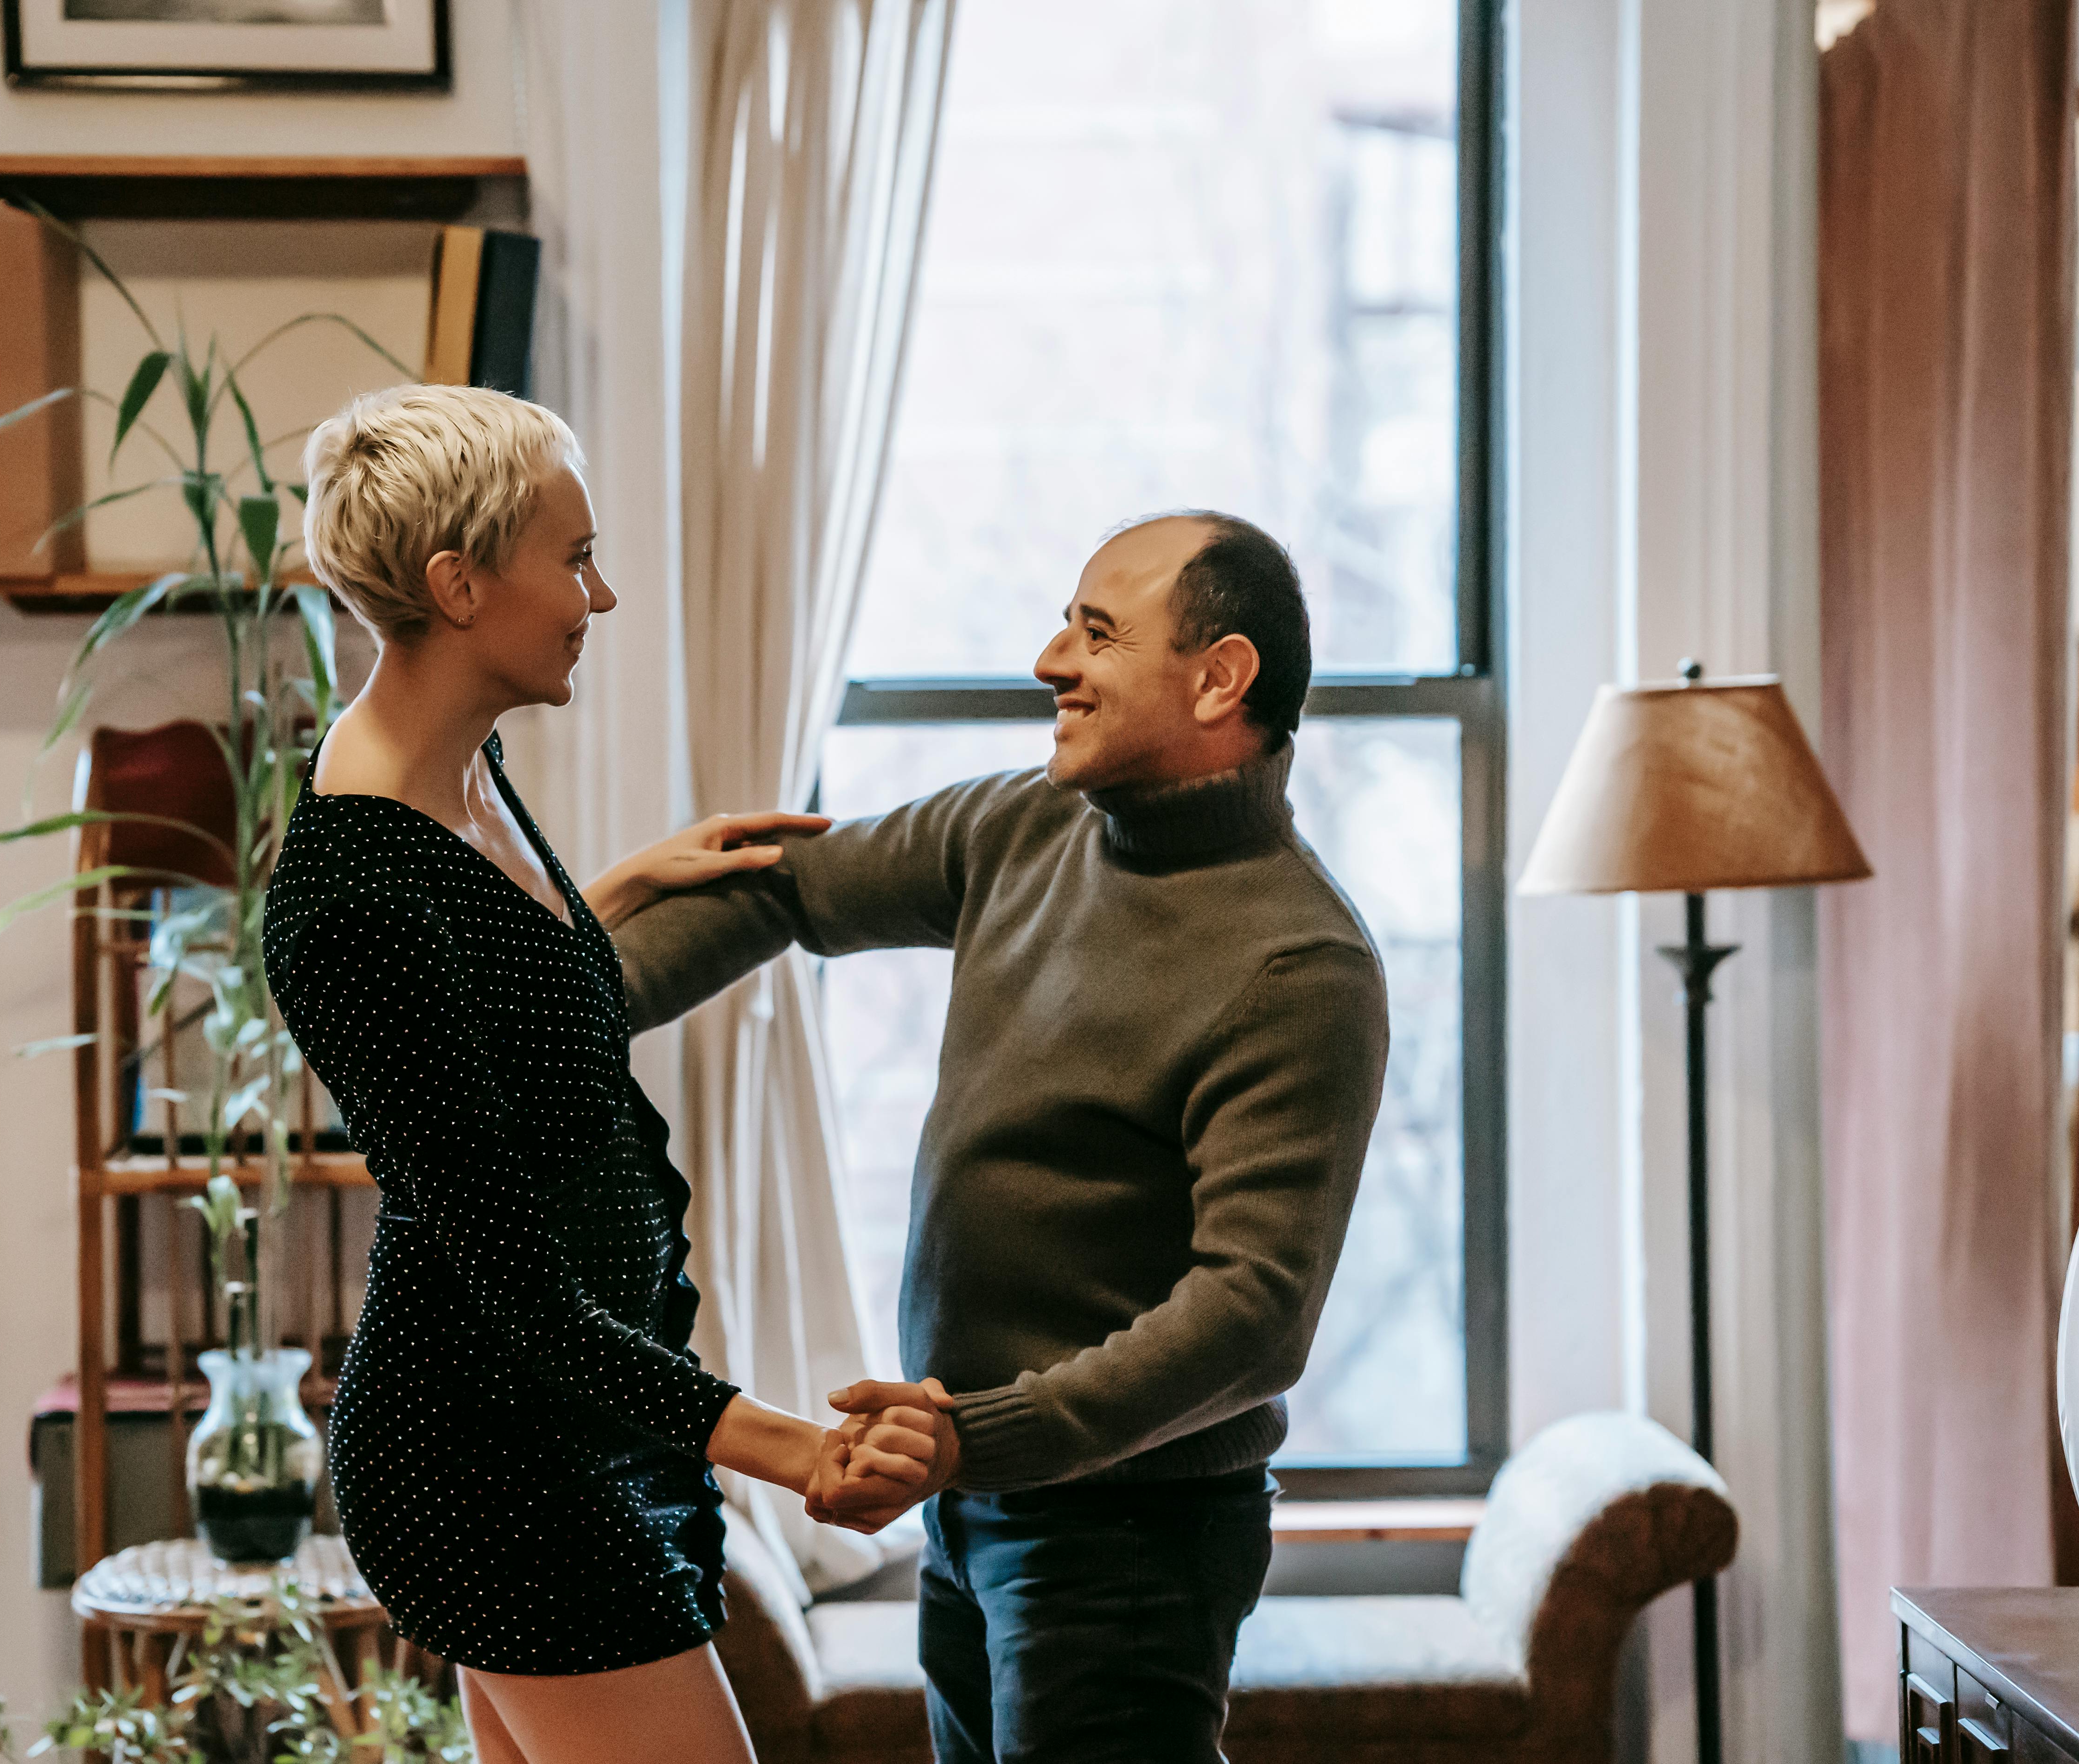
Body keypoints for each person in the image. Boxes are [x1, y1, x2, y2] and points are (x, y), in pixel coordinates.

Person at [612, 511, 1391, 1764]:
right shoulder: (1017, 828)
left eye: (1094, 632)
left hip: (1128, 1537)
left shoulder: (1297, 963)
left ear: (1217, 677)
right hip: (972, 1505)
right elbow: (784, 888)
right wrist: (542, 1016)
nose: (1047, 660)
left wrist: (977, 1436)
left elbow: (1252, 1315)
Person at [268, 384, 932, 1764]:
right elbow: (520, 1295)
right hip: (494, 1455)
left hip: (559, 1427)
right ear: (459, 584)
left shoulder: (461, 775)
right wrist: (793, 1449)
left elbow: (487, 983)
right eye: (572, 558)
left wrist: (616, 889)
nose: (600, 593)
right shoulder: (350, 901)